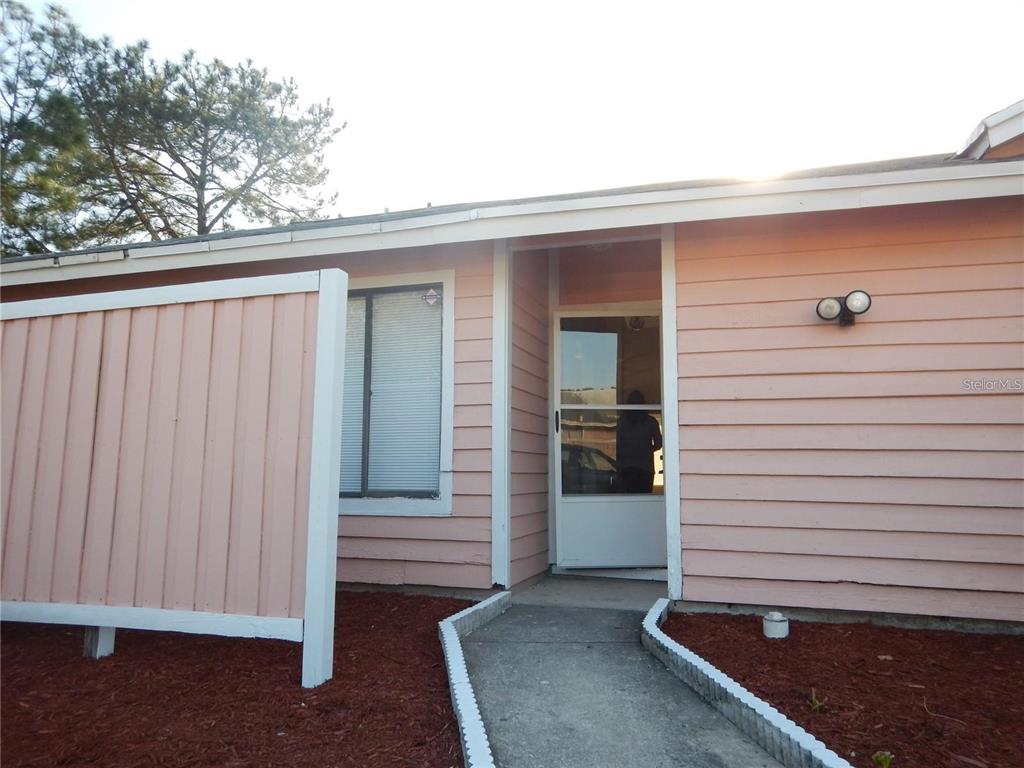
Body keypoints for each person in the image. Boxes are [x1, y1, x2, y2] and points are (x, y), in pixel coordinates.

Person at [615, 390, 663, 493]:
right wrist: (647, 449)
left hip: (626, 467)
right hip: (645, 467)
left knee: (627, 500)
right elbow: (659, 443)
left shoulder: (622, 421)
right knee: (645, 499)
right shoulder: (651, 422)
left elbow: (617, 444)